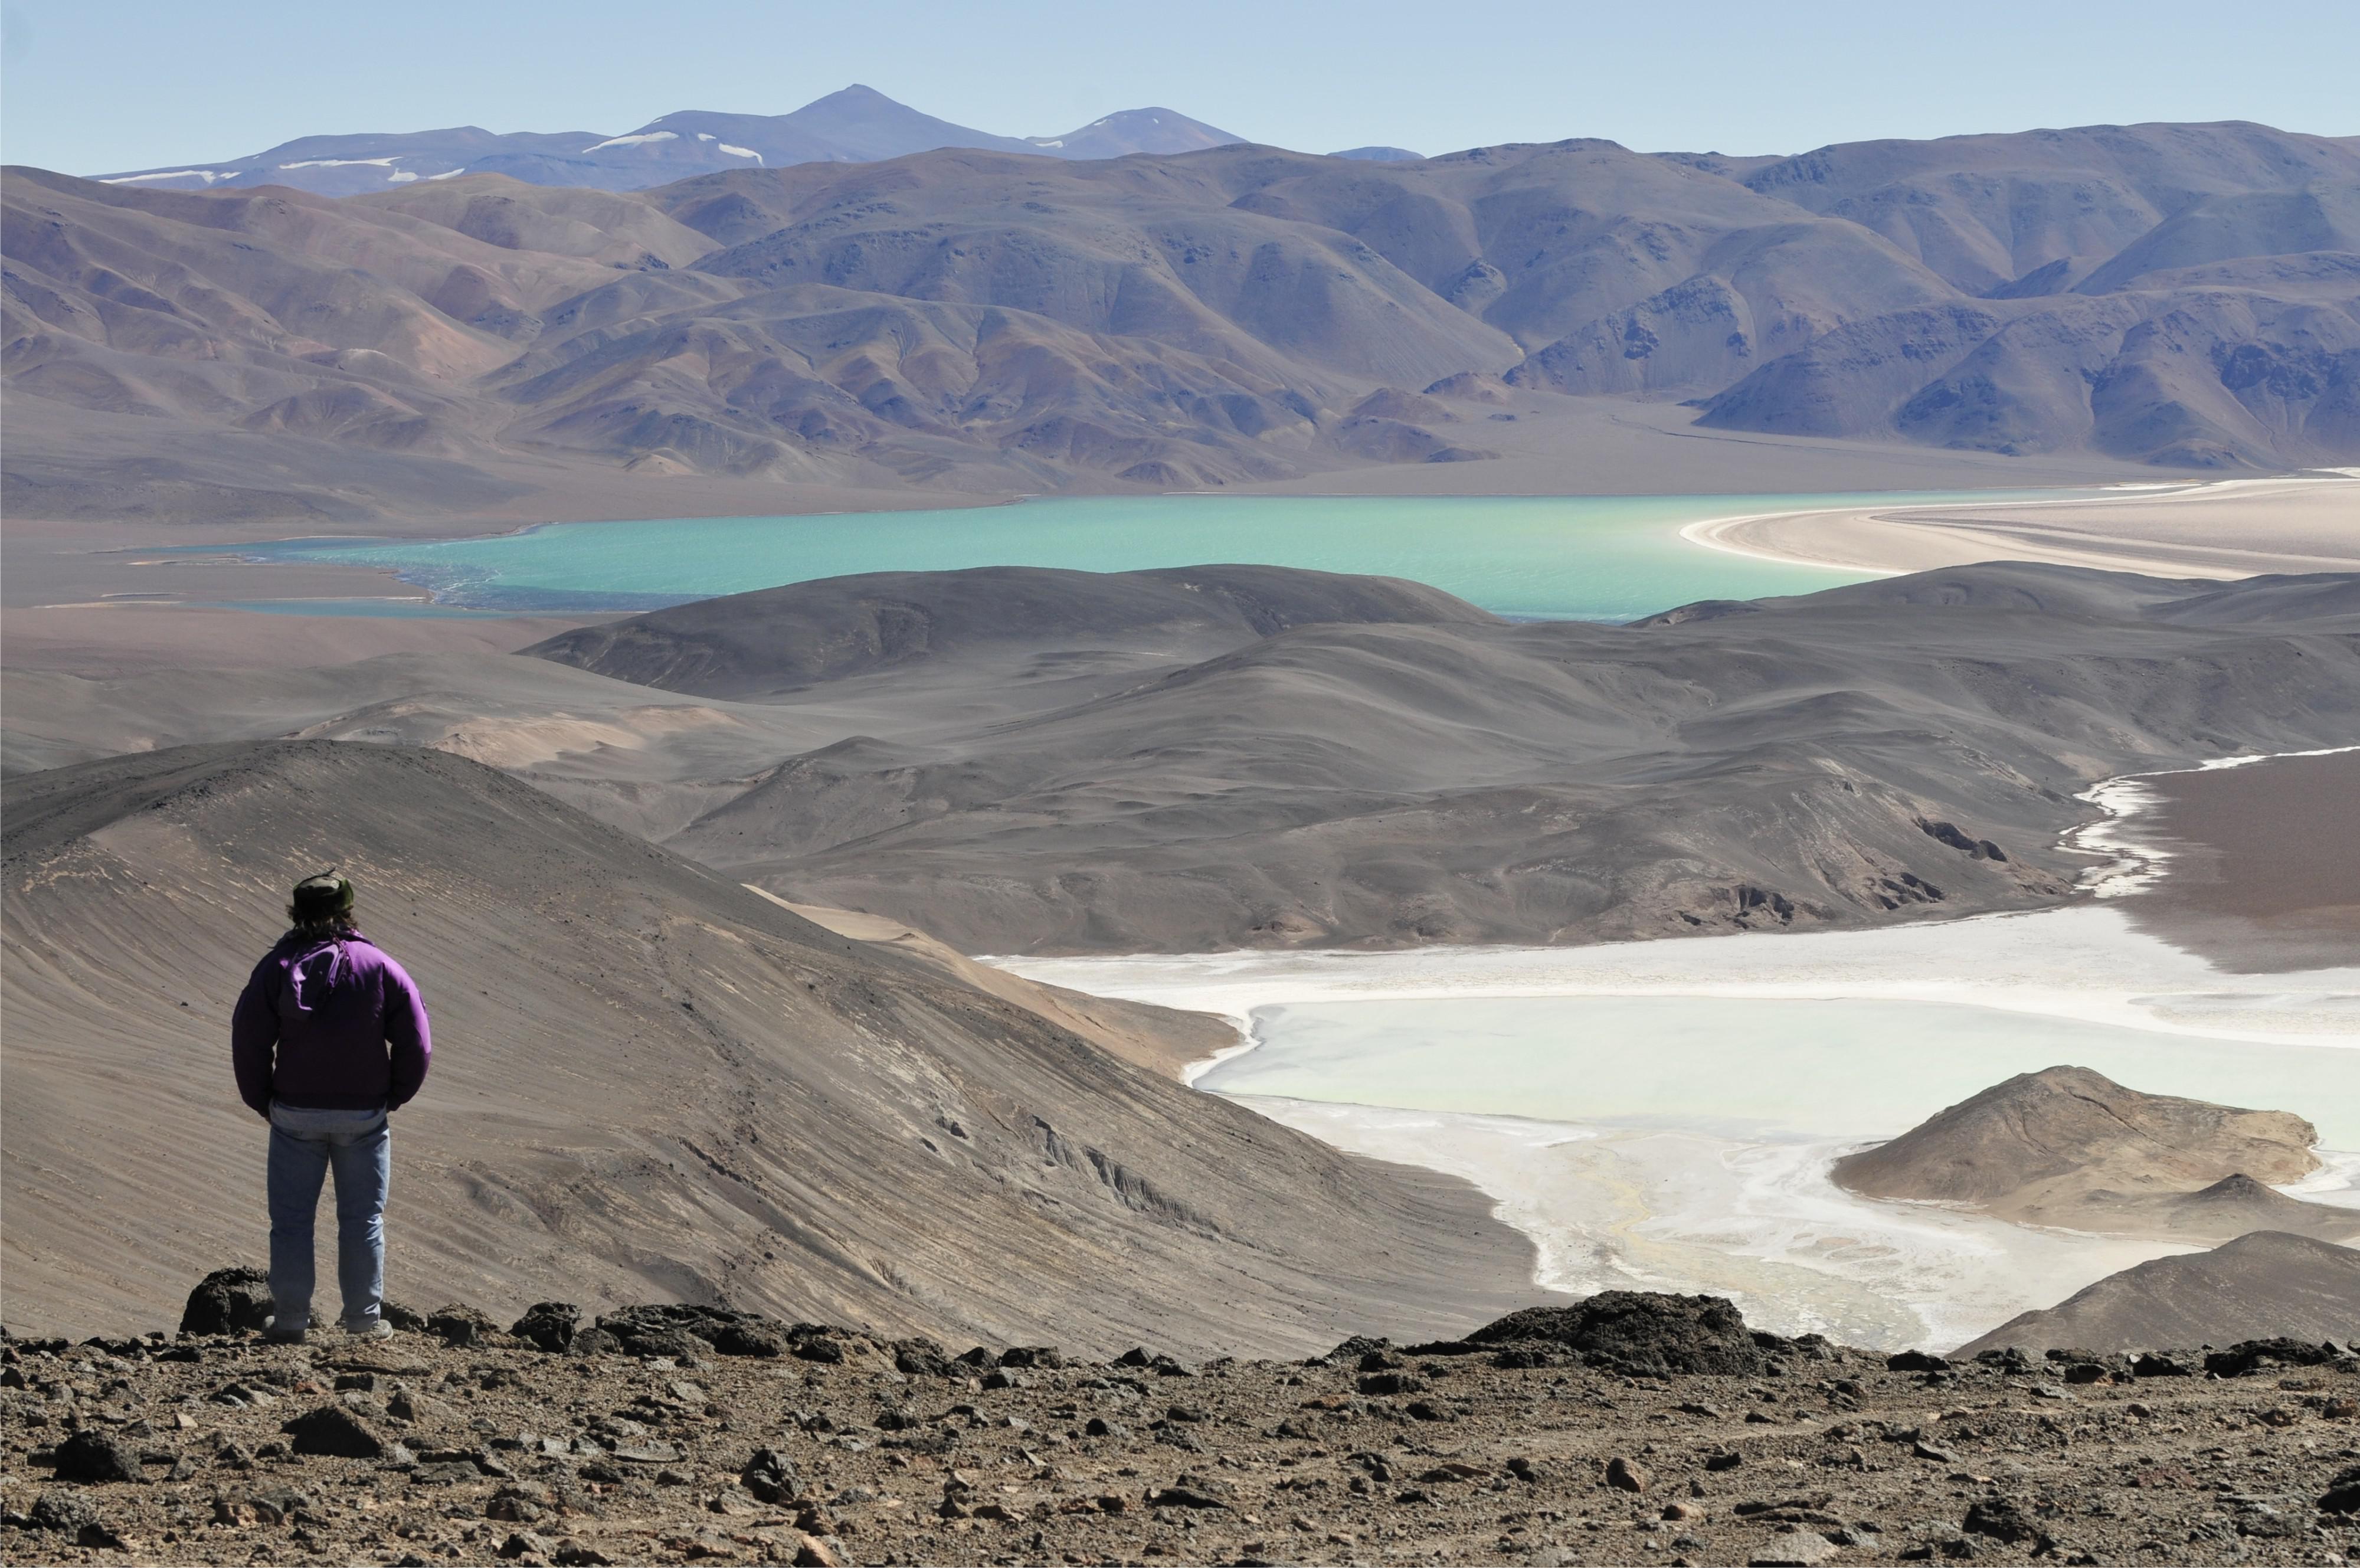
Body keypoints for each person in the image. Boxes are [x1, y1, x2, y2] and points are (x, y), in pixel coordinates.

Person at [231, 871, 431, 1343]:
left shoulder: (276, 967)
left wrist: (263, 1101)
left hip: (294, 1115)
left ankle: (291, 1321)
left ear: (296, 912)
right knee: (362, 1218)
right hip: (364, 1116)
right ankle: (363, 1321)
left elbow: (249, 1039)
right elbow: (417, 1043)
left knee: (291, 1220)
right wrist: (394, 1095)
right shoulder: (379, 966)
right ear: (348, 909)